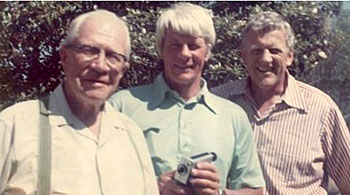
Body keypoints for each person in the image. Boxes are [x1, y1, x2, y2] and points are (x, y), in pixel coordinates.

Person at [110, 2, 265, 195]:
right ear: (161, 49)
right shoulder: (122, 106)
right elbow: (97, 177)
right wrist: (153, 188)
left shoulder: (232, 116)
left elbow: (255, 190)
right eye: (175, 45)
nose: (184, 54)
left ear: (207, 52)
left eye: (193, 46)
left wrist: (220, 193)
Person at [0, 10, 159, 195]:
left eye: (113, 56)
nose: (100, 65)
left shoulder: (132, 135)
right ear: (65, 57)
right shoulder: (14, 126)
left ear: (123, 70)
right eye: (89, 50)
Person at [212, 11, 350, 195]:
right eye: (256, 50)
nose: (265, 59)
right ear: (243, 56)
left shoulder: (320, 108)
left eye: (275, 51)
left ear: (289, 57)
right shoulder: (217, 103)